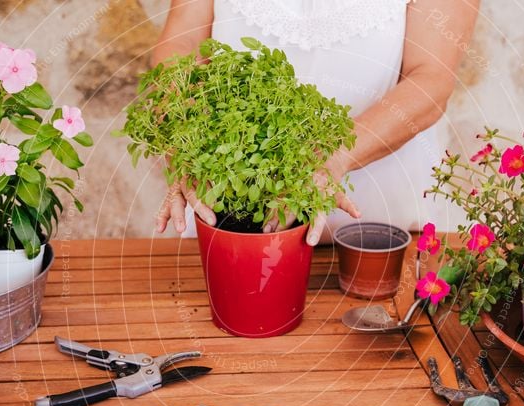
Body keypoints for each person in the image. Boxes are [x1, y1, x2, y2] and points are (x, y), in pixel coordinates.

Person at [152, 0, 479, 245]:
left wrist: (331, 157)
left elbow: (431, 80)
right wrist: (185, 144)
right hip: (231, 232)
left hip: (384, 237)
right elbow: (182, 44)